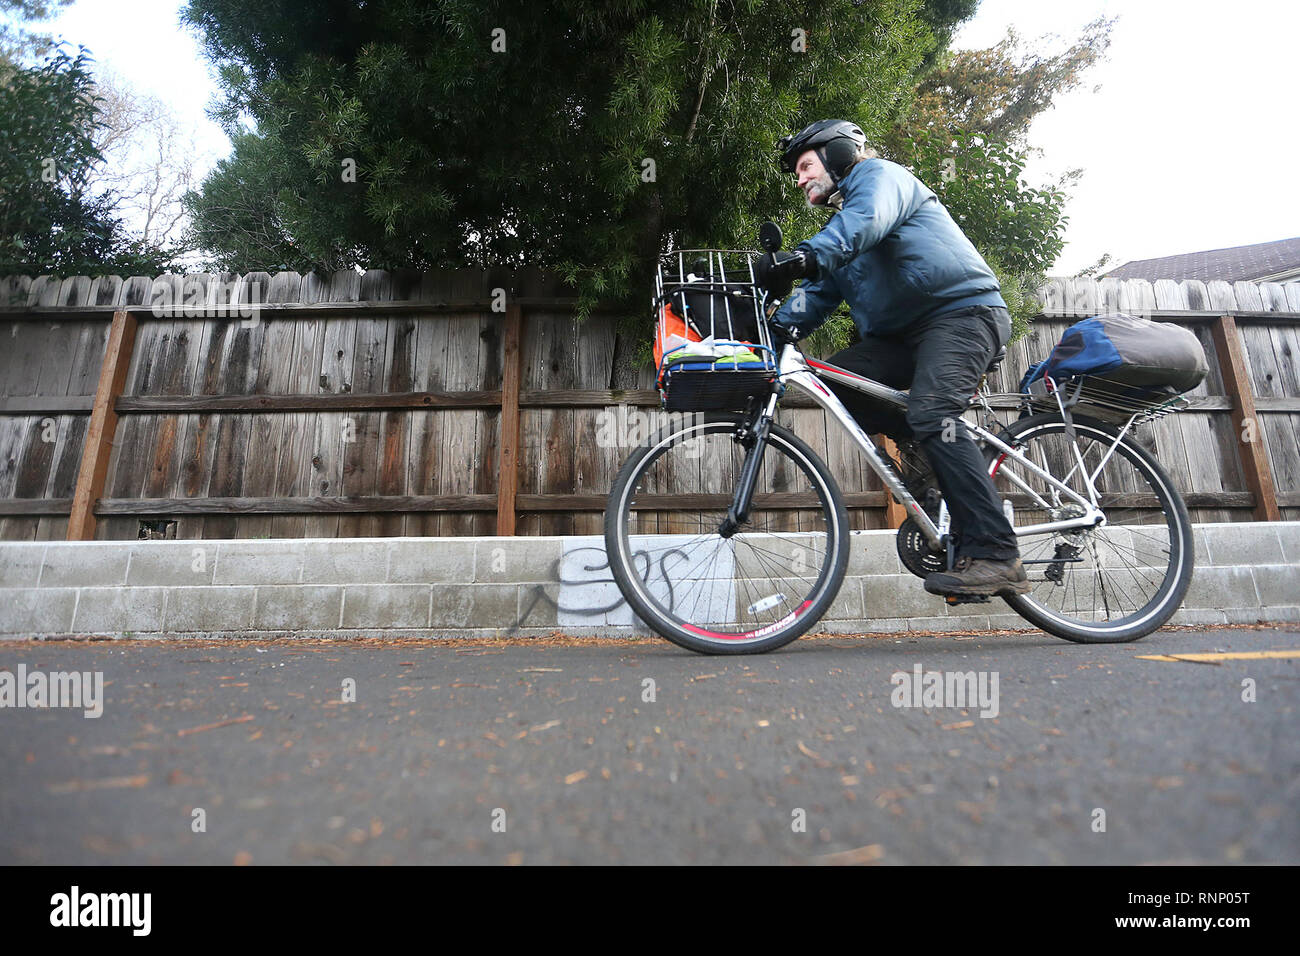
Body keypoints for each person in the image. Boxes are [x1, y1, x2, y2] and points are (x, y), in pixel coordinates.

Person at [757, 119, 1029, 598]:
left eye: (804, 165)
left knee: (934, 413)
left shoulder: (880, 179)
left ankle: (997, 554)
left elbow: (862, 224)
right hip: (902, 337)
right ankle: (924, 454)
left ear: (838, 153)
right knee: (837, 383)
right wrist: (772, 328)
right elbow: (818, 292)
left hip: (961, 313)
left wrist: (801, 257)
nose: (799, 179)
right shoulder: (839, 234)